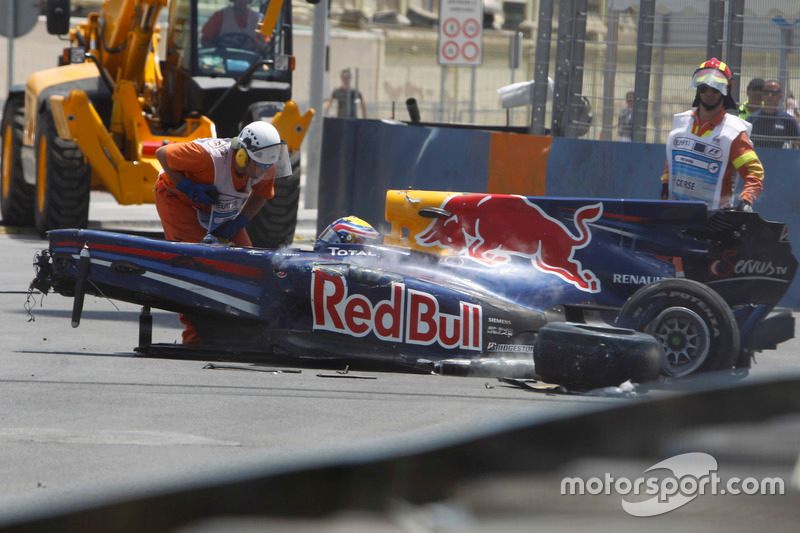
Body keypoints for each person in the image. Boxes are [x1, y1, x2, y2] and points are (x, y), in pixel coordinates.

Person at [154, 121, 291, 343]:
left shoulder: (265, 163)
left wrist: (240, 221)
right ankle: (196, 337)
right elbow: (162, 154)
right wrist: (186, 186)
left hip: (218, 209)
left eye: (267, 168)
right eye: (259, 167)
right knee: (194, 264)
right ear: (241, 157)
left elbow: (262, 195)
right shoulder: (205, 156)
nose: (264, 173)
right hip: (178, 200)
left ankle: (246, 329)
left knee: (249, 265)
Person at [660, 58, 764, 211]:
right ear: (697, 90)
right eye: (704, 88)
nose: (709, 93)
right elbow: (673, 161)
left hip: (715, 220)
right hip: (677, 214)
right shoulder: (681, 122)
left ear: (726, 90)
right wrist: (665, 183)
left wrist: (747, 201)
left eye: (715, 89)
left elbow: (754, 172)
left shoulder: (733, 133)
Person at [748, 80, 800, 149]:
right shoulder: (751, 119)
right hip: (755, 159)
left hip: (780, 159)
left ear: (781, 96)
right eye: (766, 92)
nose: (770, 96)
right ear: (762, 96)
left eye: (774, 93)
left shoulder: (788, 120)